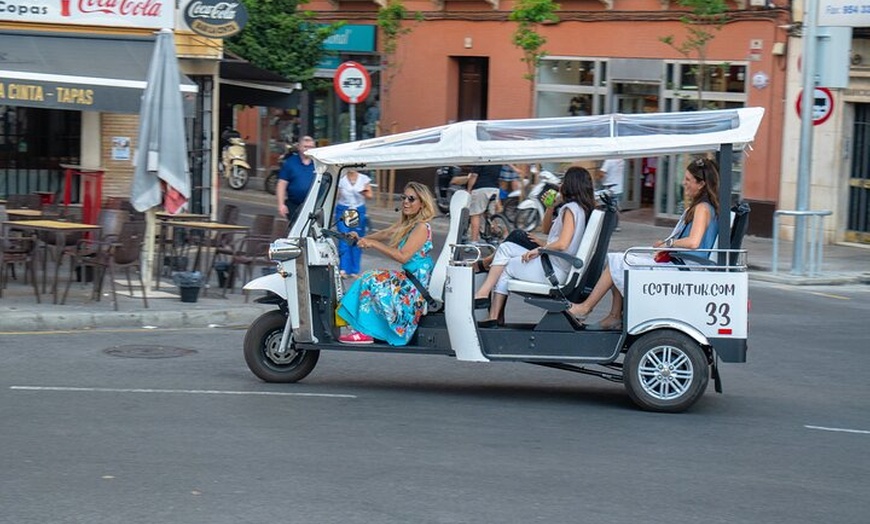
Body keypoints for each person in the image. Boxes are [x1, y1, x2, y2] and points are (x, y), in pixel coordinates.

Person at [568, 157, 721, 330]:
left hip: (685, 267)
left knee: (618, 261)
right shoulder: (705, 207)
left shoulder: (702, 208)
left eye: (688, 180)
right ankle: (614, 316)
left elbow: (694, 242)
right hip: (683, 263)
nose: (684, 184)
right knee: (621, 260)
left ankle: (587, 308)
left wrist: (667, 244)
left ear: (701, 184)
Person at [473, 167, 597, 325]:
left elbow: (563, 244)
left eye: (564, 181)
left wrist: (539, 249)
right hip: (561, 263)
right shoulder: (580, 209)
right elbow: (547, 230)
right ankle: (491, 308)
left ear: (570, 184)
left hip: (556, 269)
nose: (560, 184)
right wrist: (550, 206)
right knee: (507, 247)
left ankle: (492, 312)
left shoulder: (570, 210)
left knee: (505, 265)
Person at [336, 182, 437, 346]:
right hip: (409, 281)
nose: (405, 202)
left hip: (414, 288)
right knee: (370, 277)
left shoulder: (421, 227)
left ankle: (364, 332)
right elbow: (386, 233)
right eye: (404, 197)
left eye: (411, 199)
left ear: (422, 203)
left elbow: (403, 256)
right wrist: (360, 238)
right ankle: (361, 328)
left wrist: (373, 244)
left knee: (371, 279)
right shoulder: (408, 223)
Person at [335, 169, 373, 278]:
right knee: (344, 238)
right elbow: (335, 195)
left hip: (358, 210)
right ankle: (343, 269)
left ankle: (354, 270)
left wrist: (363, 192)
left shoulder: (363, 178)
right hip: (344, 209)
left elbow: (370, 195)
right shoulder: (341, 179)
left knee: (356, 239)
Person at [276, 135, 316, 222]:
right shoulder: (290, 162)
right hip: (294, 205)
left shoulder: (319, 163)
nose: (308, 149)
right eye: (305, 146)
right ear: (299, 147)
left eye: (311, 147)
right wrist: (281, 204)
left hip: (314, 206)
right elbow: (282, 184)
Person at [466, 164, 502, 242]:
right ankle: (496, 232)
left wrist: (469, 190)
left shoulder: (481, 159)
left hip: (481, 188)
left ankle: (474, 241)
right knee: (491, 214)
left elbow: (474, 176)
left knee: (475, 214)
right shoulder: (498, 159)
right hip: (494, 188)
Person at [598, 158, 625, 231]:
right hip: (618, 187)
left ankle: (610, 224)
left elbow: (601, 173)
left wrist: (599, 177)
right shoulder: (621, 160)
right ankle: (616, 225)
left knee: (609, 206)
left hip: (610, 187)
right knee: (615, 206)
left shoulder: (609, 160)